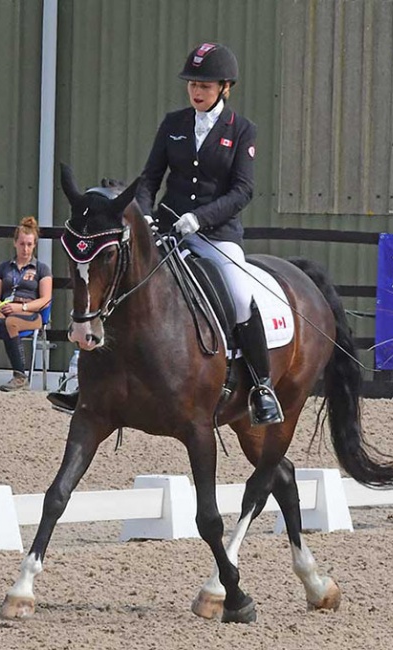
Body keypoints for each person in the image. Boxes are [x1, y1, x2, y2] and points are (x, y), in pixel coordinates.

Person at [48, 42, 281, 426]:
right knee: (113, 284)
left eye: (204, 85)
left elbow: (243, 191)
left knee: (240, 296)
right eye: (192, 83)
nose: (196, 90)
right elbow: (150, 177)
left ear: (225, 87)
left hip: (216, 236)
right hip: (166, 229)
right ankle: (80, 379)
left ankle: (261, 387)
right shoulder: (173, 124)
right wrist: (145, 216)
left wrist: (200, 218)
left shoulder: (242, 131)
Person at [0, 216, 52, 391]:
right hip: (5, 308)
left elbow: (45, 299)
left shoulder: (41, 269)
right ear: (15, 243)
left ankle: (20, 376)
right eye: (22, 244)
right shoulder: (4, 267)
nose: (25, 248)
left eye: (29, 244)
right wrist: (0, 306)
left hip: (30, 312)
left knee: (11, 322)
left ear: (34, 245)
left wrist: (21, 307)